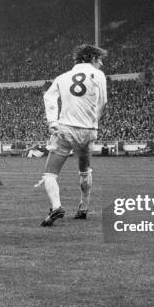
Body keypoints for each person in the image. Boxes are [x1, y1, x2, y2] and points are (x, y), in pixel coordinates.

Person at [36, 44, 108, 227]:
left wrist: (52, 123)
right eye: (99, 59)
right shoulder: (98, 75)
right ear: (92, 58)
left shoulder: (62, 77)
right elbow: (103, 102)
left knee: (50, 174)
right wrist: (94, 122)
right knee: (85, 170)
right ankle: (83, 208)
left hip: (66, 129)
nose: (100, 64)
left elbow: (49, 97)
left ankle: (57, 206)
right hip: (89, 131)